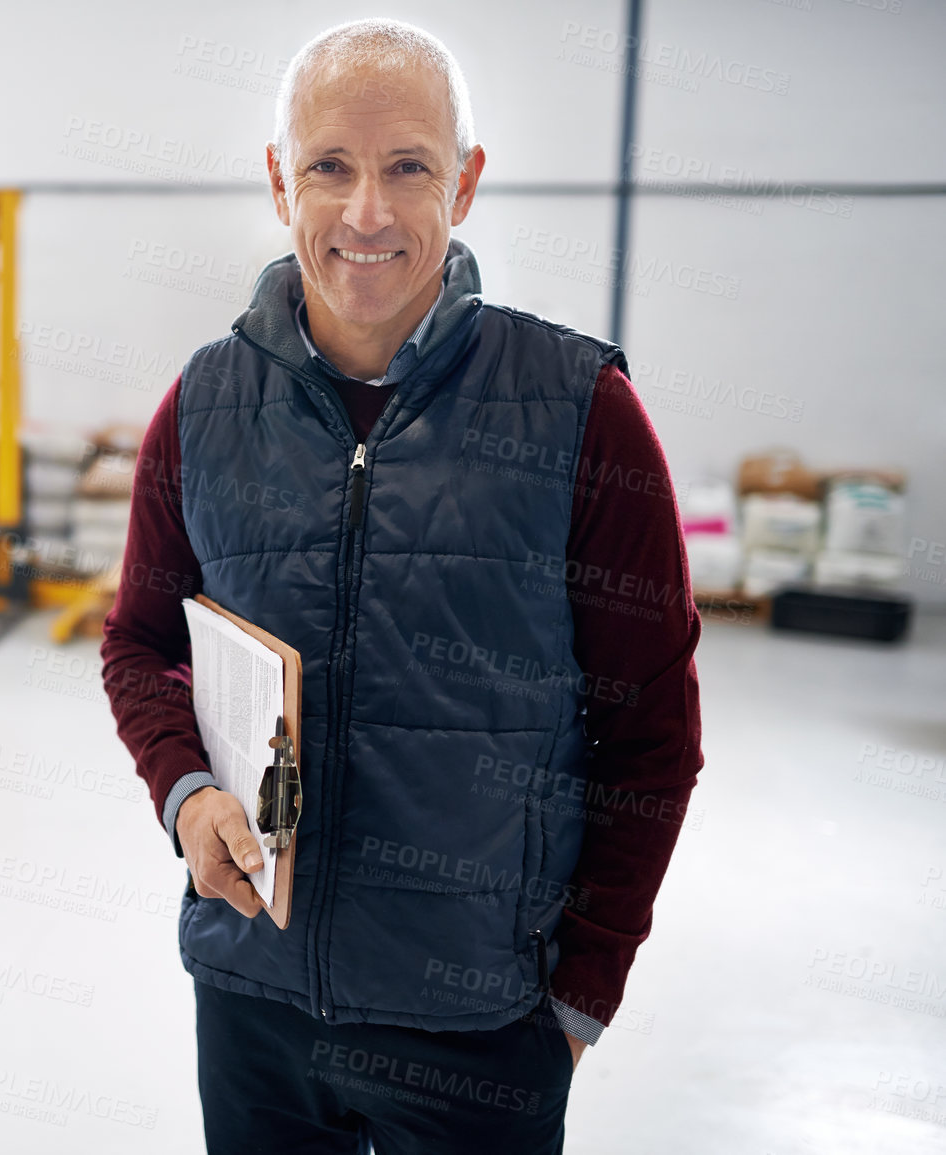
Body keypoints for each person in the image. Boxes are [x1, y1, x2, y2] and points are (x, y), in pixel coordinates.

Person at [99, 18, 703, 1154]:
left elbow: (653, 733)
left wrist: (578, 999)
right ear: (281, 179)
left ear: (465, 183)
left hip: (482, 1025)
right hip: (253, 1001)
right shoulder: (203, 407)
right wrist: (186, 797)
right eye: (330, 166)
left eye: (407, 167)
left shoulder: (579, 412)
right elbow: (138, 643)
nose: (366, 212)